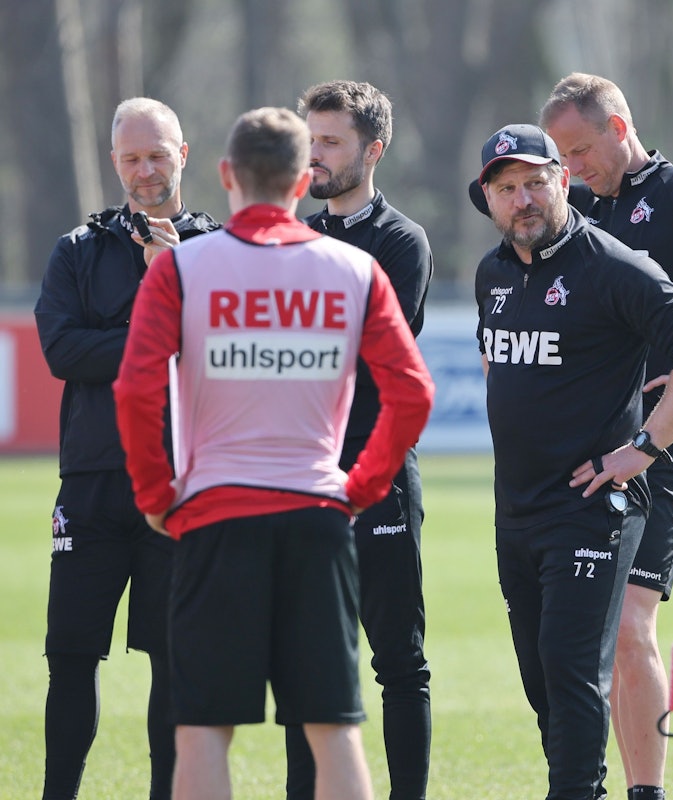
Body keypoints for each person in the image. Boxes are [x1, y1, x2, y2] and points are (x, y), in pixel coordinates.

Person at [112, 106, 434, 800]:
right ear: (299, 182)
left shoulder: (182, 269)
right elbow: (411, 395)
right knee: (334, 726)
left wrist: (154, 496)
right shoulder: (354, 268)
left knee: (201, 730)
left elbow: (136, 391)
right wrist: (358, 488)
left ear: (226, 175)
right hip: (318, 514)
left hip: (214, 516)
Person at [474, 122, 673, 800]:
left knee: (572, 667)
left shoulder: (611, 265)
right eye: (505, 188)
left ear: (561, 181)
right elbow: (497, 362)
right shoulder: (492, 272)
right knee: (542, 680)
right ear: (488, 200)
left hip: (589, 508)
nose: (521, 199)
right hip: (515, 509)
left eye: (533, 182)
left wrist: (642, 448)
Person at [538, 72, 673, 800]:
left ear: (619, 128)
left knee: (627, 623)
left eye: (579, 149)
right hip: (584, 445)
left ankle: (645, 792)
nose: (571, 167)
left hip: (665, 439)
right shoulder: (573, 207)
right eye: (560, 154)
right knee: (576, 632)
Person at [34, 97, 219, 800]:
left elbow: (223, 354)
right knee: (71, 658)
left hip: (182, 485)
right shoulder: (77, 251)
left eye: (158, 155)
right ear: (115, 163)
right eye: (132, 158)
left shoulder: (219, 249)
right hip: (90, 484)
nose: (146, 171)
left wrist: (181, 287)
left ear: (184, 154)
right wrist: (158, 327)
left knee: (173, 662)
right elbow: (61, 350)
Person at [283, 79, 434, 800]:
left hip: (376, 474)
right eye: (310, 139)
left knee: (398, 661)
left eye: (332, 140)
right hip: (298, 476)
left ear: (372, 150)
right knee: (302, 659)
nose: (316, 154)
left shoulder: (402, 242)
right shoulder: (290, 234)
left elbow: (371, 353)